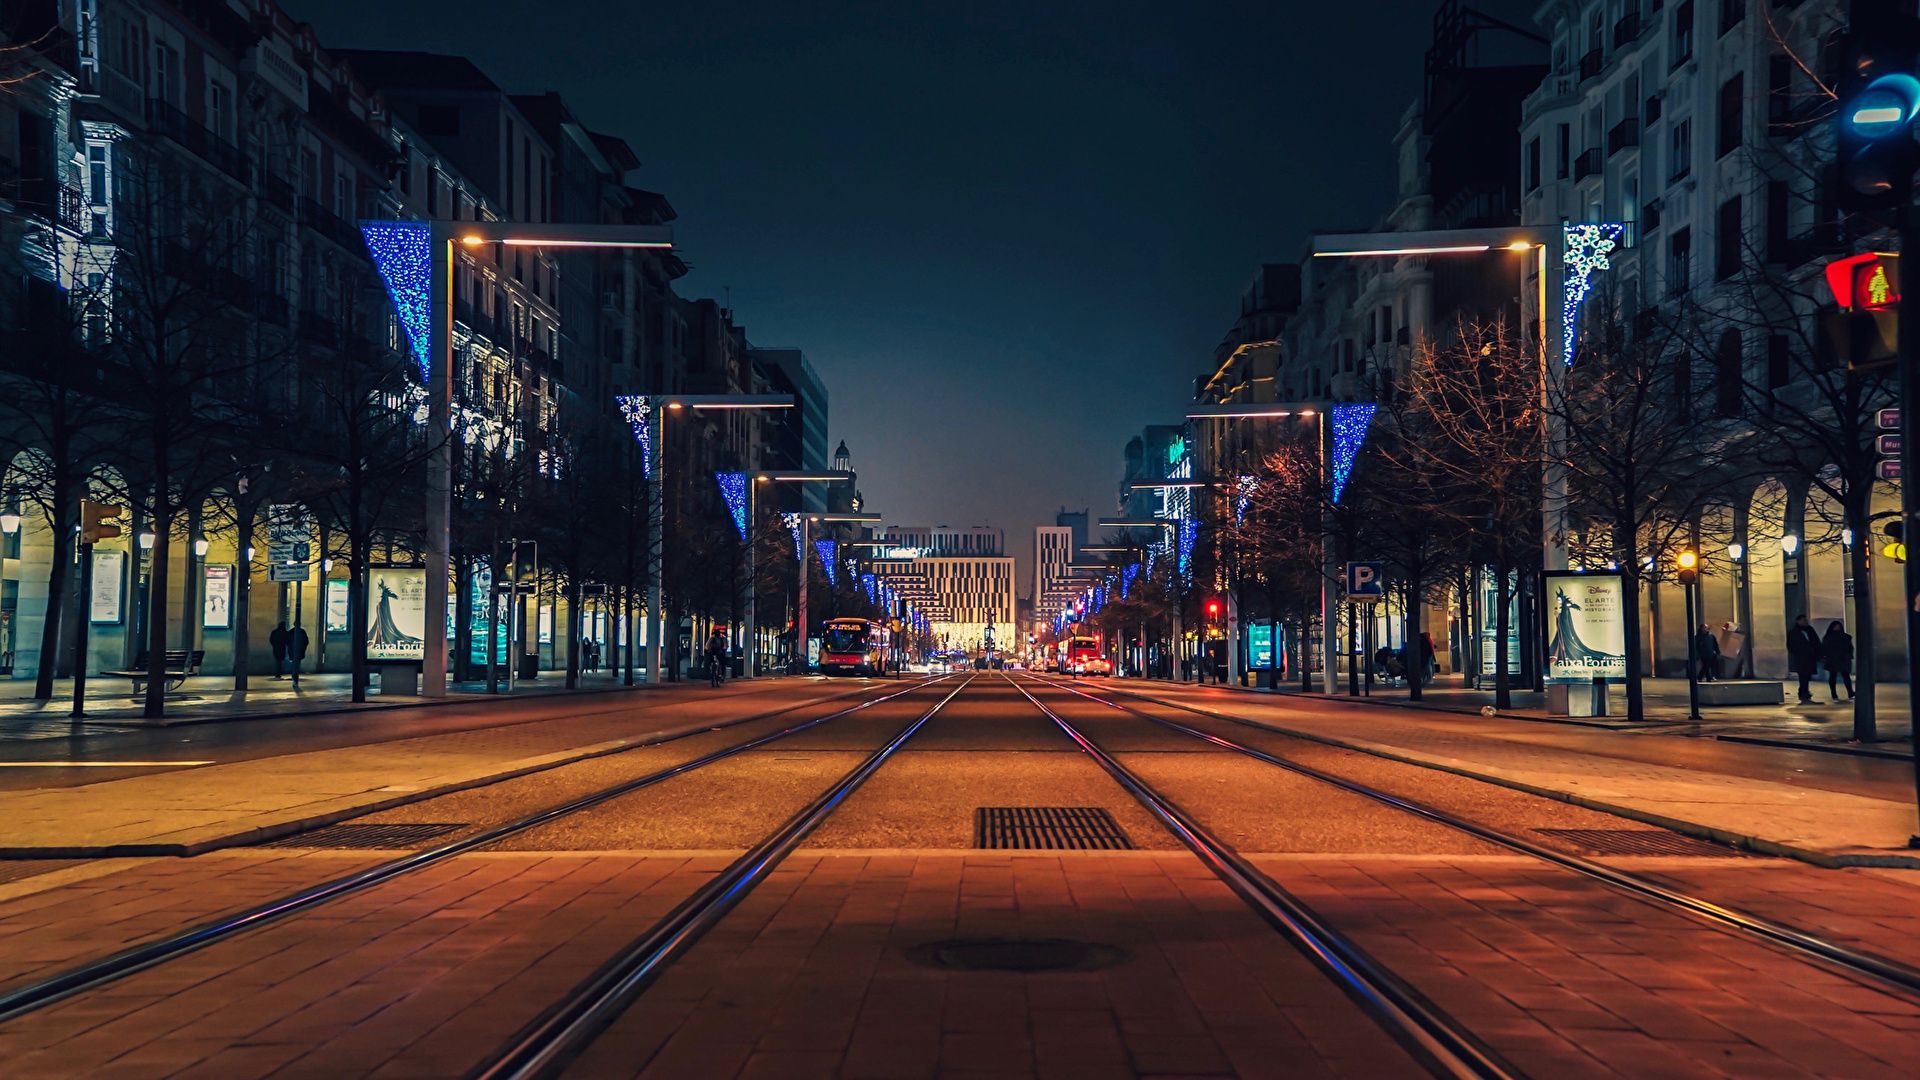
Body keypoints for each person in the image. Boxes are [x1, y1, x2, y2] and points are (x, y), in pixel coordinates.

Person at [1787, 614, 1822, 704]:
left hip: (1810, 657)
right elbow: (1790, 645)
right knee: (1802, 675)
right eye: (1803, 620)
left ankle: (1804, 691)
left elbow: (1816, 642)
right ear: (1798, 621)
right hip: (1800, 657)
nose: (1805, 622)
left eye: (1805, 620)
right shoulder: (1793, 632)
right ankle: (1803, 691)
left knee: (1807, 675)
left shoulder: (1810, 630)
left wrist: (1817, 652)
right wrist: (1797, 652)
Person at [1822, 620, 1855, 702]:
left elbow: (1850, 648)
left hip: (1839, 659)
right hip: (1835, 659)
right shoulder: (1830, 637)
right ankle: (1835, 693)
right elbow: (1825, 648)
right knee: (1835, 676)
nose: (1837, 628)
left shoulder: (1843, 637)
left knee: (1844, 676)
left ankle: (1849, 693)